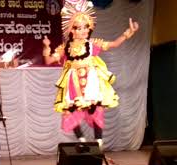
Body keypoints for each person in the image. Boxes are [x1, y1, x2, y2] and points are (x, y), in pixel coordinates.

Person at [42, 0, 139, 149]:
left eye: (86, 27)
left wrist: (128, 34)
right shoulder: (65, 47)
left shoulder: (92, 44)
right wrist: (46, 47)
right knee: (70, 110)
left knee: (96, 109)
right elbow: (49, 60)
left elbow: (113, 44)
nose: (84, 31)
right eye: (79, 28)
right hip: (73, 82)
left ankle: (98, 141)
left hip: (91, 81)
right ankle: (81, 139)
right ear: (72, 30)